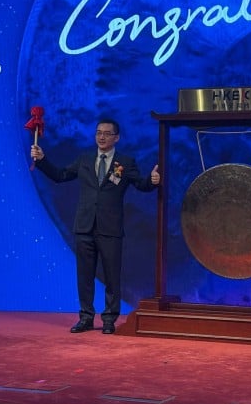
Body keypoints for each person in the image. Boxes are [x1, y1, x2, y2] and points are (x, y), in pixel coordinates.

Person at [31, 117, 160, 335]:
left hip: (110, 229)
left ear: (116, 138)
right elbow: (61, 175)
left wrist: (153, 180)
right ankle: (86, 317)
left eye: (107, 133)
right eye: (98, 132)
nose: (101, 136)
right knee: (84, 275)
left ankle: (109, 319)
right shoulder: (85, 159)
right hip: (84, 227)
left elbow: (141, 185)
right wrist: (42, 160)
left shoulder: (125, 163)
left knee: (111, 276)